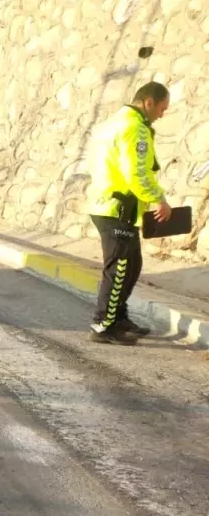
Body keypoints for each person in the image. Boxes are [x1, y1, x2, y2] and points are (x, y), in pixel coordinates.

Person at [84, 81, 173, 345]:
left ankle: (118, 318)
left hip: (107, 204)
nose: (162, 114)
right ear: (148, 103)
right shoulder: (135, 128)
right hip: (118, 207)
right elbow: (136, 173)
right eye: (162, 108)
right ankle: (103, 325)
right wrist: (158, 199)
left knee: (132, 265)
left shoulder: (112, 124)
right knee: (120, 268)